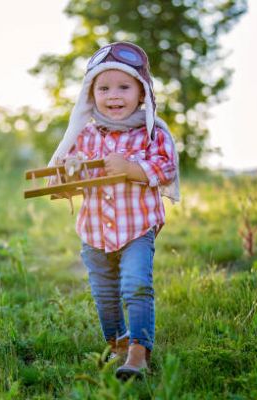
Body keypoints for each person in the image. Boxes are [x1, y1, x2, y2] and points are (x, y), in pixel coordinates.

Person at [48, 42, 180, 380]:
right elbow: (71, 173)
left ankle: (139, 351)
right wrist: (72, 168)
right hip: (94, 231)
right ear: (91, 95)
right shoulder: (86, 135)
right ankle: (117, 343)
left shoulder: (152, 132)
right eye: (103, 88)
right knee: (104, 293)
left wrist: (131, 166)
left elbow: (165, 169)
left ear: (142, 93)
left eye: (124, 86)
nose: (114, 95)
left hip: (137, 227)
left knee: (135, 285)